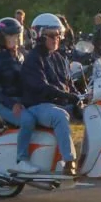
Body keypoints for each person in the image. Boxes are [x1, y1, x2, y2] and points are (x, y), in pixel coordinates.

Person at [18, 13, 80, 170]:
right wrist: (68, 96)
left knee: (91, 113)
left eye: (59, 34)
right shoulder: (33, 59)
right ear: (38, 36)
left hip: (57, 103)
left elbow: (68, 82)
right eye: (52, 35)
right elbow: (42, 87)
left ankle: (91, 155)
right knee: (60, 116)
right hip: (38, 105)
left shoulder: (58, 57)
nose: (56, 38)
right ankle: (69, 161)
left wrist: (81, 95)